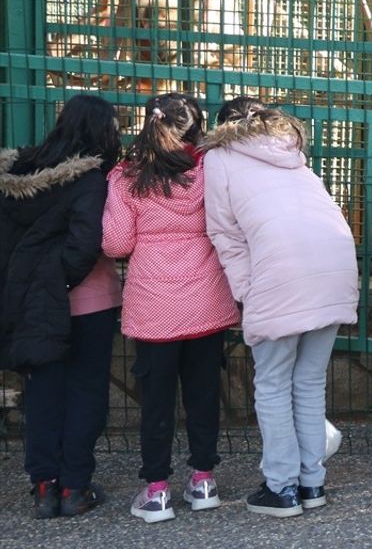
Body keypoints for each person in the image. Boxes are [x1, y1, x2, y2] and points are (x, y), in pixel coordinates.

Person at [202, 97, 359, 516]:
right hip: (336, 269)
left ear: (222, 128)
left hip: (279, 273)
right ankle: (312, 484)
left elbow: (224, 231)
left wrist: (247, 290)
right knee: (308, 383)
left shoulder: (219, 158)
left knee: (272, 384)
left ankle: (281, 488)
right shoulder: (292, 152)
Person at [103, 93, 239, 523]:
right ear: (198, 129)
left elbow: (116, 243)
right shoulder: (210, 171)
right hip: (206, 301)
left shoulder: (126, 177)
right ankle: (203, 481)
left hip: (154, 306)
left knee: (157, 402)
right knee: (203, 395)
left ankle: (156, 490)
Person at [0, 94, 122, 518]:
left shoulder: (15, 175)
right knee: (86, 391)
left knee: (42, 392)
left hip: (28, 304)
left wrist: (32, 287)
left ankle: (43, 486)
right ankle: (74, 488)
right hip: (88, 302)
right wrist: (61, 282)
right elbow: (86, 243)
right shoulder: (91, 178)